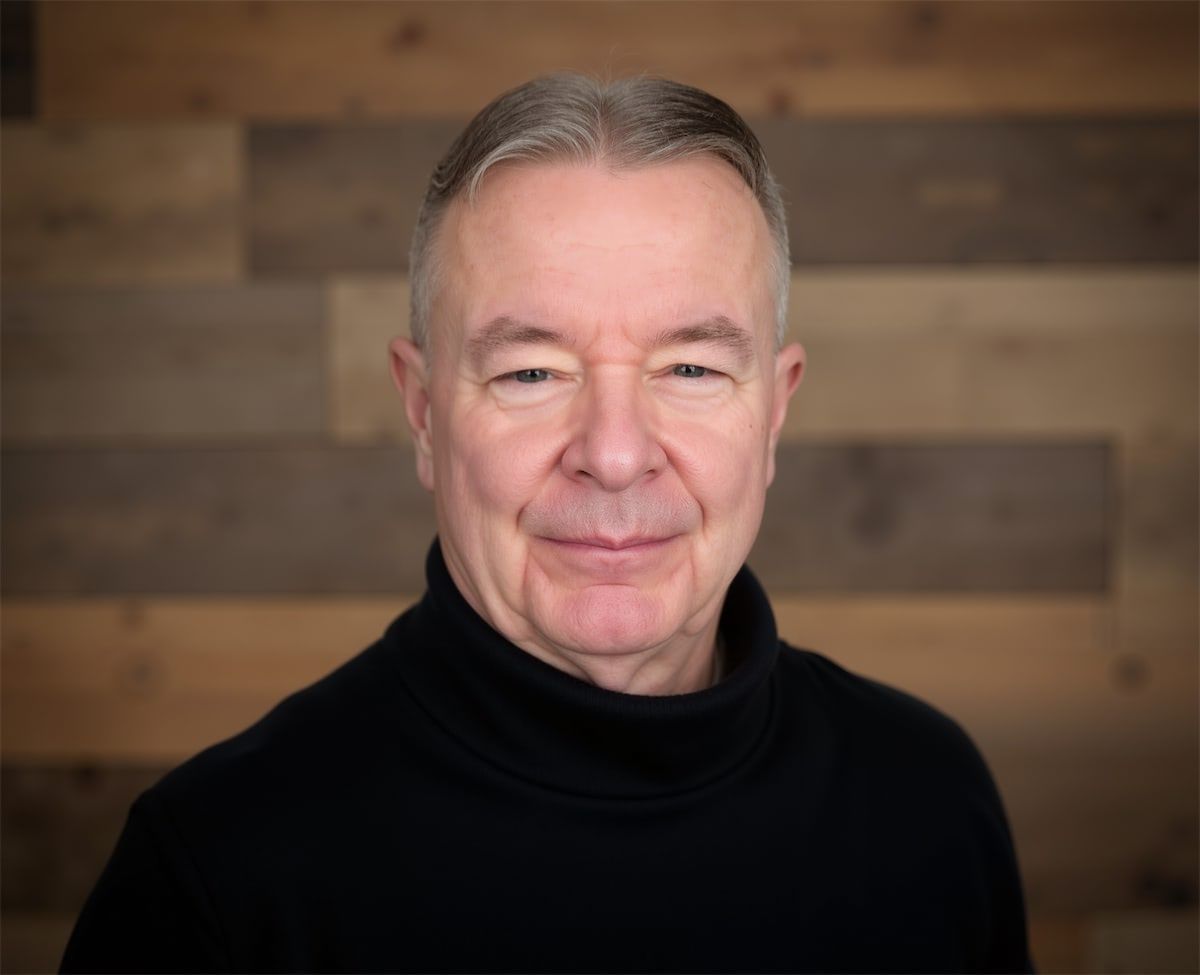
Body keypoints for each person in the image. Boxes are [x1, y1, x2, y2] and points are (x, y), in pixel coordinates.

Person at [62, 75, 1032, 974]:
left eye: (690, 368)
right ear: (425, 412)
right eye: (532, 372)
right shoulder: (215, 870)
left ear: (772, 413)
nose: (614, 453)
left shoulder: (930, 801)